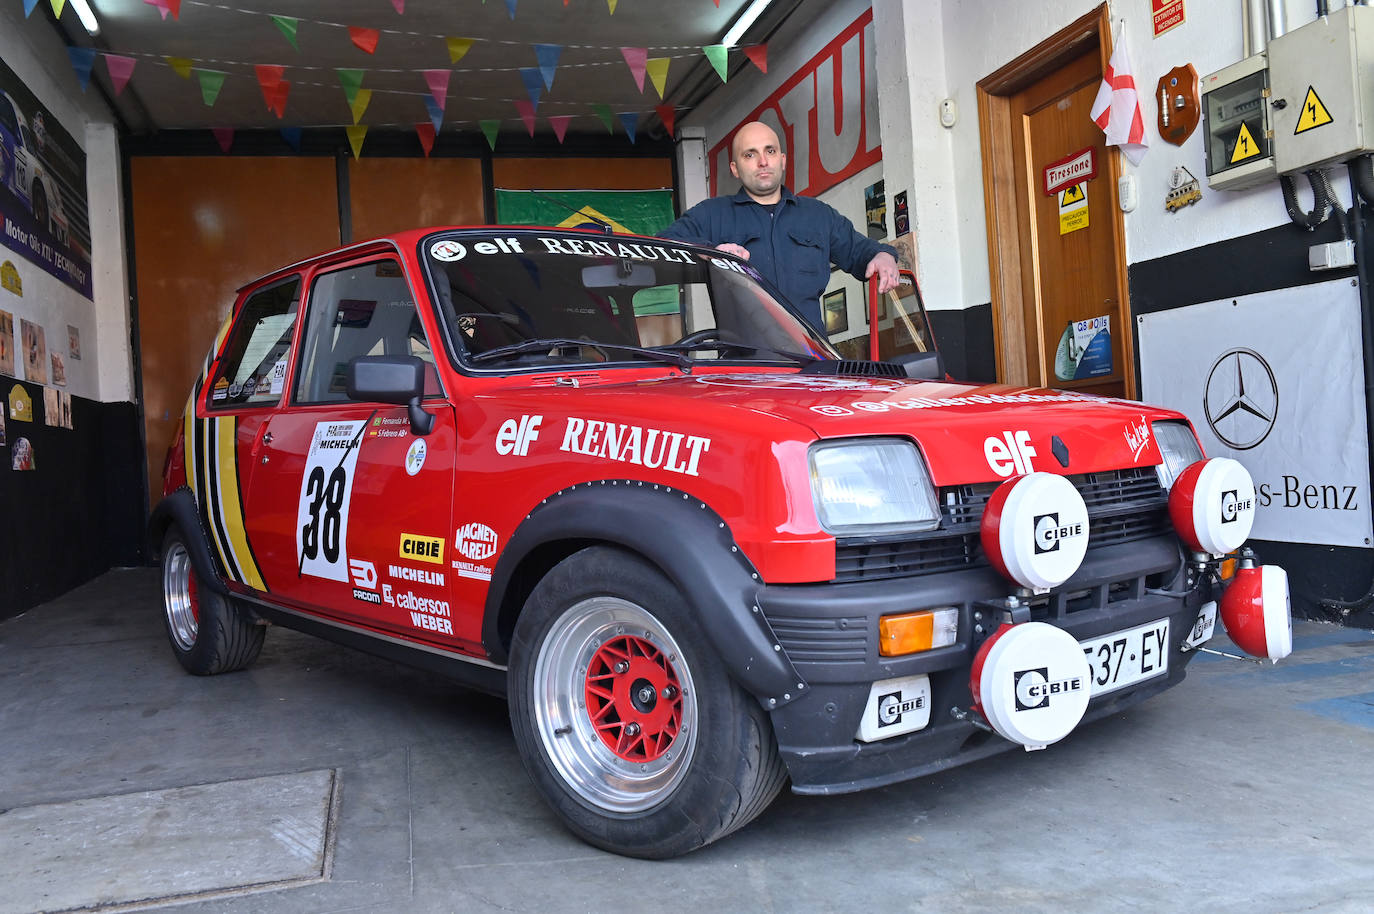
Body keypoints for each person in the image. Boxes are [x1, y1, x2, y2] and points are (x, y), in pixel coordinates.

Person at [660, 121, 900, 333]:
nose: (763, 162)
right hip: (744, 370)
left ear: (782, 160)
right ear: (734, 168)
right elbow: (664, 245)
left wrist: (884, 256)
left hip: (812, 364)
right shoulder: (711, 215)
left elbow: (861, 252)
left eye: (770, 151)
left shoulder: (818, 215)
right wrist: (711, 252)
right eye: (750, 155)